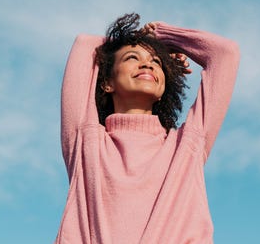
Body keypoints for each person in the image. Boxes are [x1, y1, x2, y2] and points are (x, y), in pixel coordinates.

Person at [55, 13, 240, 244]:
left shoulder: (186, 146)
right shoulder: (85, 141)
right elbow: (85, 44)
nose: (147, 63)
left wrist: (163, 36)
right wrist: (136, 40)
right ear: (106, 82)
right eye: (132, 57)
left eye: (156, 62)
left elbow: (225, 54)